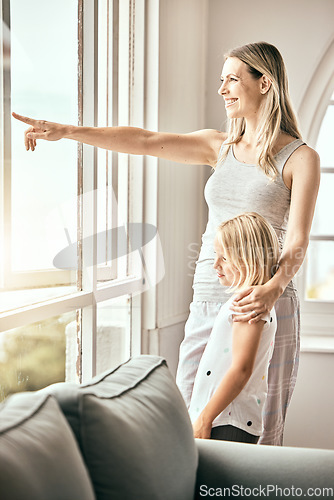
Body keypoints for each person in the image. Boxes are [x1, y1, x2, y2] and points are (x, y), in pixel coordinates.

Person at [12, 41, 320, 445]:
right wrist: (69, 132)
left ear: (265, 83)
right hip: (210, 294)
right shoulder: (219, 146)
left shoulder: (300, 158)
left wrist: (271, 289)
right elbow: (143, 139)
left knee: (259, 431)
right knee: (191, 420)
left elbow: (297, 241)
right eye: (221, 80)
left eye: (232, 78)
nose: (223, 89)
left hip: (264, 299)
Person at [190, 212, 278, 444]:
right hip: (225, 418)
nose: (216, 264)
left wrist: (205, 419)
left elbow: (241, 370)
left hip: (227, 420)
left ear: (249, 259)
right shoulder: (251, 300)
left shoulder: (247, 304)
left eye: (225, 258)